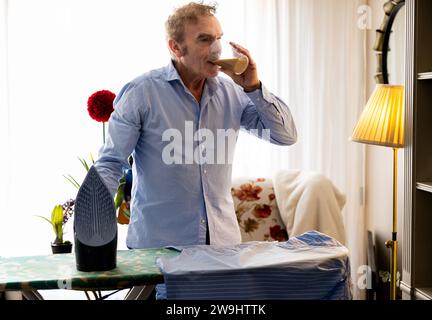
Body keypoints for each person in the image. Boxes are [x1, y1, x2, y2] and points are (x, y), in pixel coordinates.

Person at [94, 1, 297, 252]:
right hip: (159, 252)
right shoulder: (142, 93)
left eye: (218, 39)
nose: (216, 50)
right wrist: (94, 234)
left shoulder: (233, 93)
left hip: (223, 251)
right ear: (175, 47)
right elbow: (110, 163)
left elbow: (285, 135)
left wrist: (254, 87)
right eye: (204, 40)